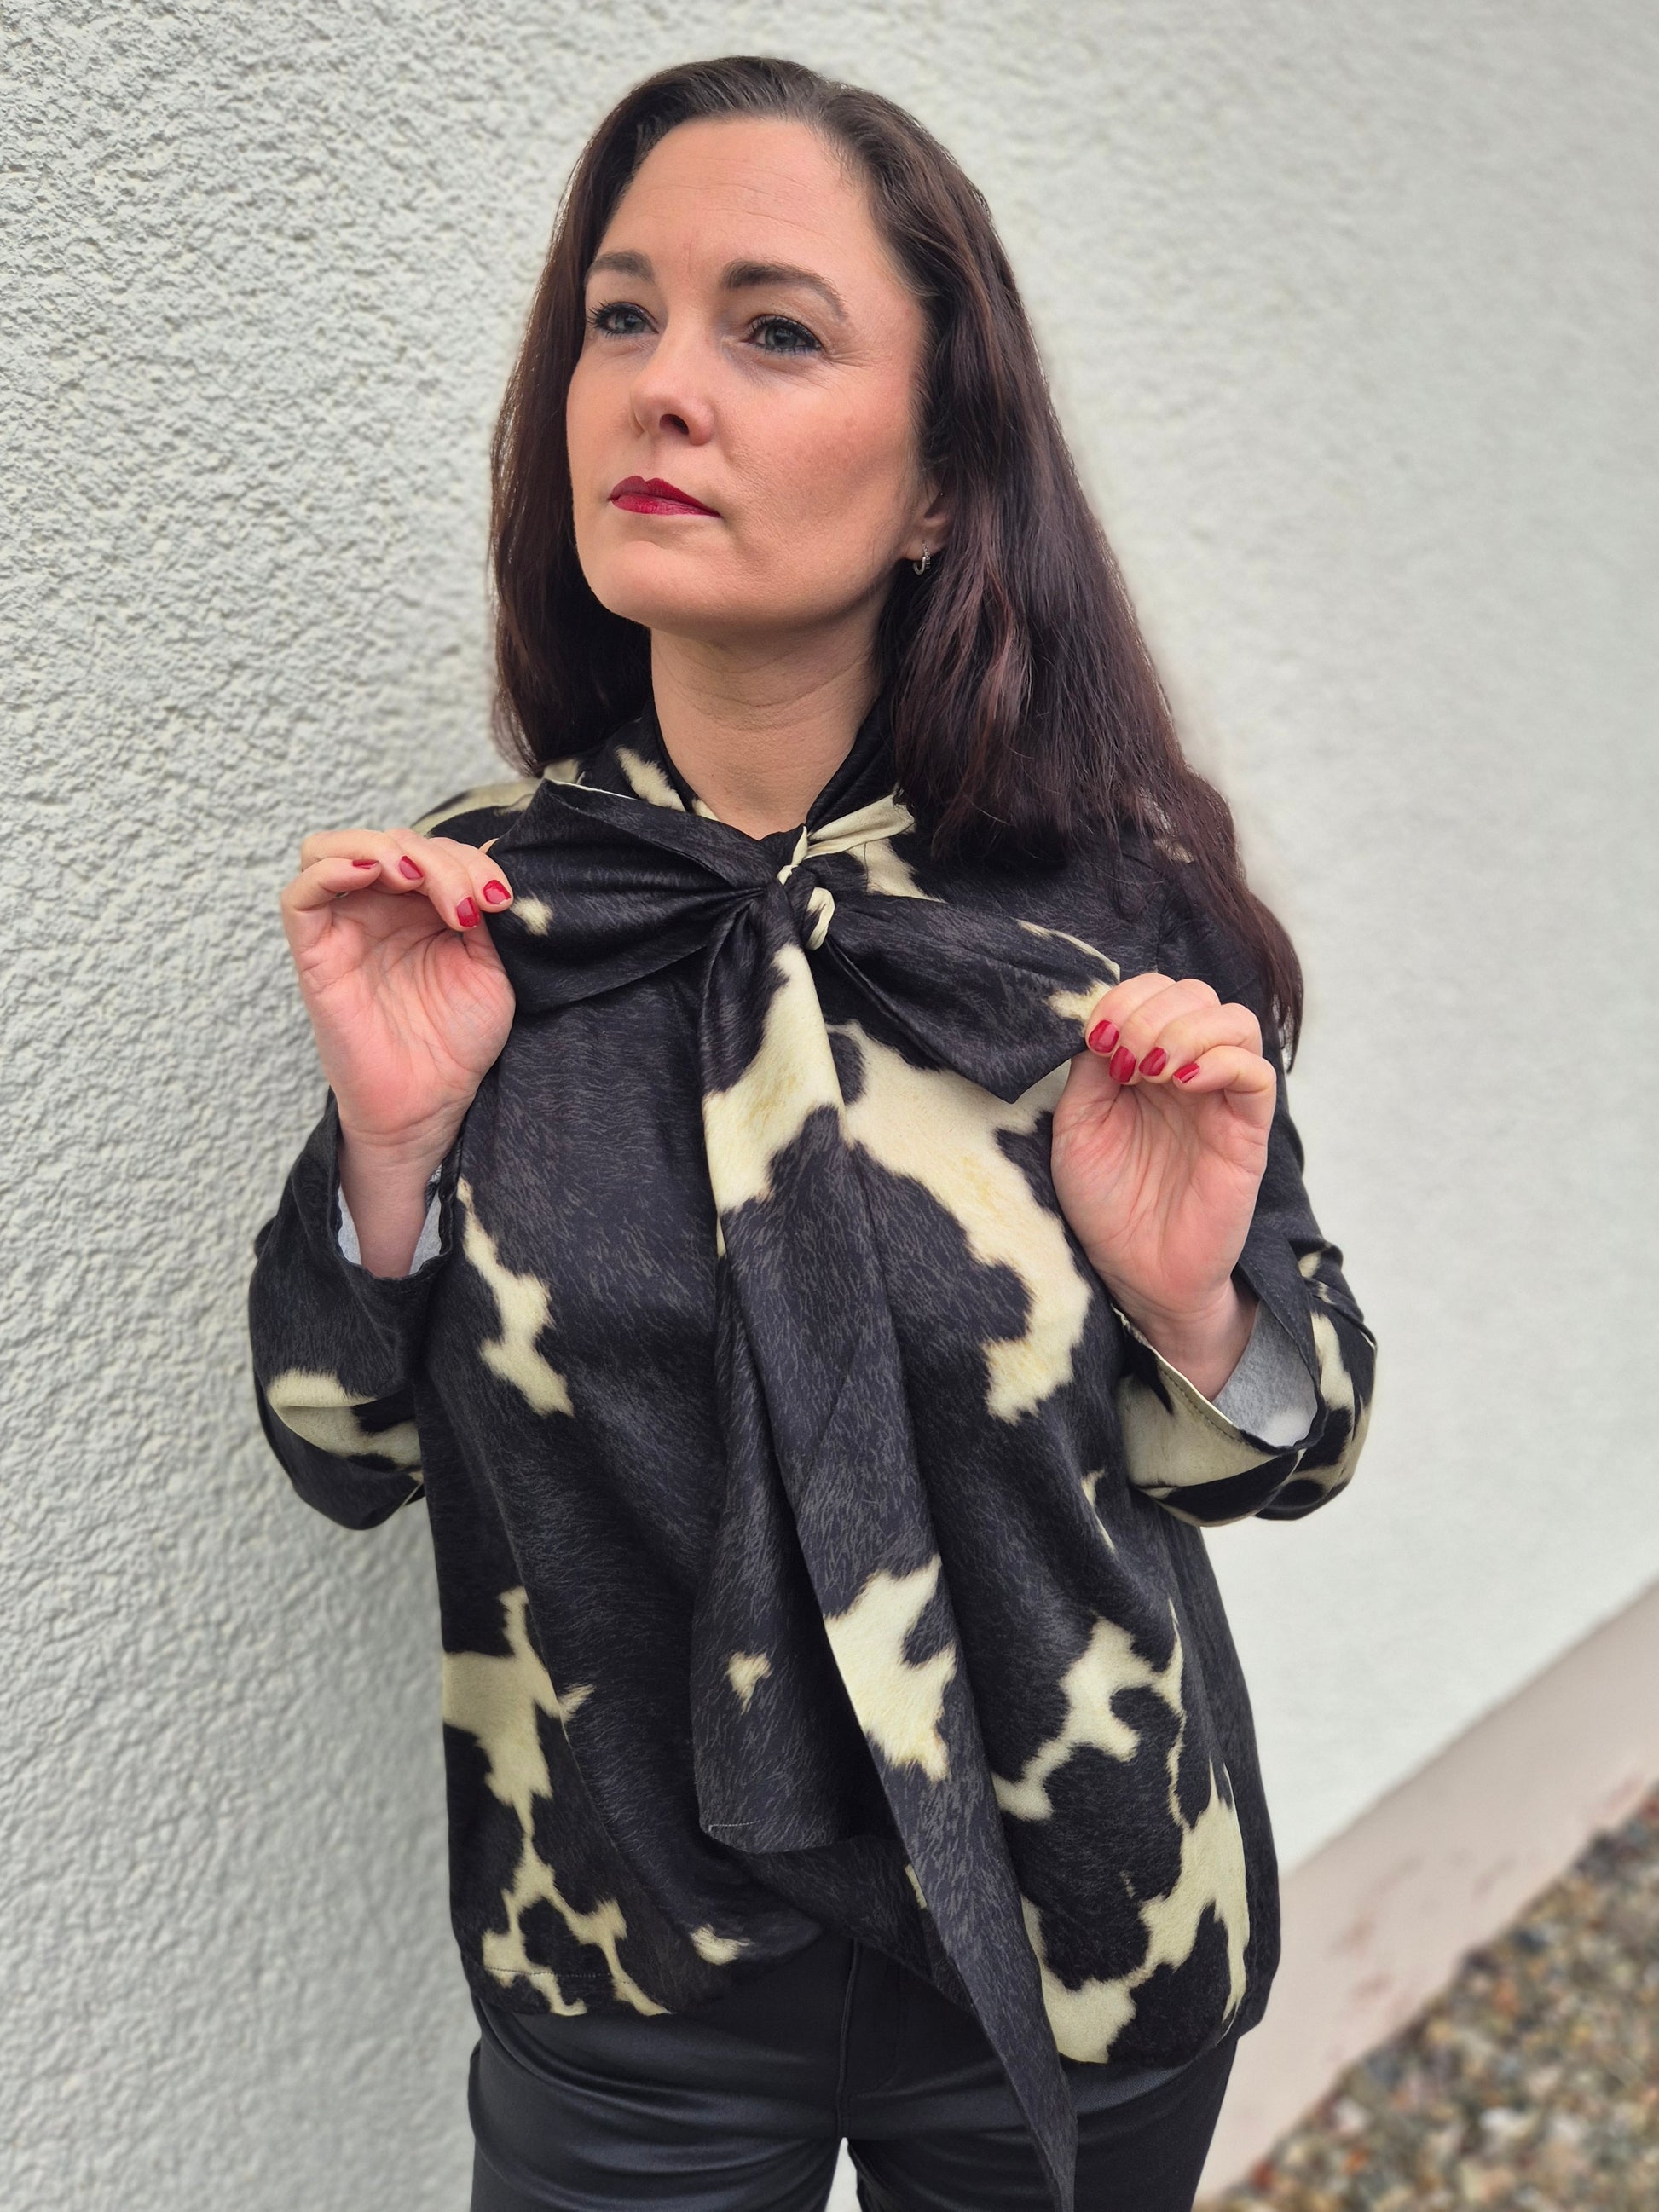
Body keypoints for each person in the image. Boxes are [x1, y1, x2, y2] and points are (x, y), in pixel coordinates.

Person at [247, 54, 1375, 2212]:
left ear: (942, 479)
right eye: (620, 315)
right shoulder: (482, 909)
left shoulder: (1101, 912)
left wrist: (1190, 1305)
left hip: (1085, 1934)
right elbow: (341, 1447)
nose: (661, 388)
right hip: (626, 1962)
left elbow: (1294, 1443)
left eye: (772, 329)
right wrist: (388, 1160)